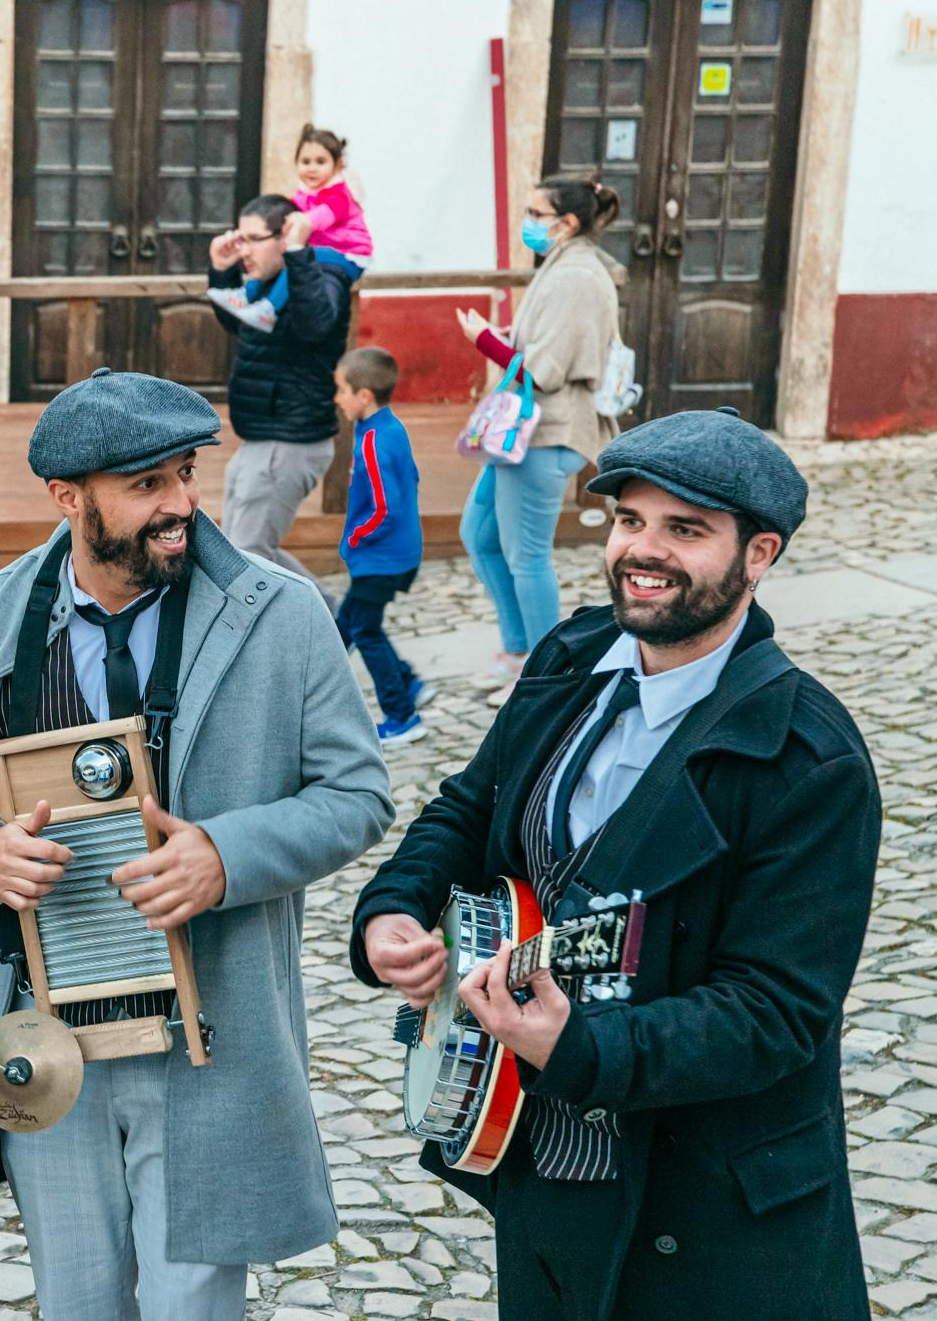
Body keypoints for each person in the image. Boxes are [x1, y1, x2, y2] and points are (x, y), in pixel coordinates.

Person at [349, 409, 880, 1319]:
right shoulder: (573, 655)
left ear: (759, 554)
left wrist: (581, 1047)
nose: (644, 550)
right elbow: (470, 805)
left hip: (704, 1208)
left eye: (686, 530)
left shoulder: (809, 758)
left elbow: (776, 1011)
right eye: (631, 519)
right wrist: (395, 906)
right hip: (541, 1159)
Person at [0, 368, 394, 1319]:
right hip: (46, 1038)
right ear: (67, 497)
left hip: (207, 1041)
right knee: (77, 1302)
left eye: (185, 474)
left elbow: (359, 793)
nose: (180, 505)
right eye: (146, 485)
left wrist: (226, 855)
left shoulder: (281, 612)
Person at [456, 173, 624, 707]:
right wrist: (508, 339)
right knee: (479, 534)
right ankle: (516, 649)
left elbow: (544, 372)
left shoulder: (576, 275)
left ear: (566, 222)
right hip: (521, 433)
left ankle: (543, 672)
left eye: (535, 214)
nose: (527, 222)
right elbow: (545, 347)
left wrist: (485, 340)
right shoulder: (563, 264)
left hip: (546, 433)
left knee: (526, 556)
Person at [206, 195, 353, 607]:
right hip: (261, 436)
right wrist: (221, 272)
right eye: (240, 238)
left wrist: (299, 254)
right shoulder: (268, 280)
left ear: (285, 236)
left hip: (291, 440)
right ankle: (334, 617)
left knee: (248, 554)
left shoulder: (321, 274)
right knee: (243, 550)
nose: (243, 250)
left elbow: (316, 325)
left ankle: (330, 623)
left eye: (254, 240)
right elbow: (237, 323)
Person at [331, 345, 431, 745]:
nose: (337, 398)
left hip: (380, 558)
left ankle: (402, 716)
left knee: (364, 630)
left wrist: (356, 536)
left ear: (364, 396)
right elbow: (413, 479)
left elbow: (384, 507)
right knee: (350, 624)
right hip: (393, 554)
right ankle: (408, 683)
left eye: (341, 390)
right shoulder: (390, 427)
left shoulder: (373, 439)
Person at [209, 124, 373, 332]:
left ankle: (269, 308)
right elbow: (235, 326)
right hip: (321, 251)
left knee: (296, 257)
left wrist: (300, 225)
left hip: (348, 255)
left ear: (337, 165)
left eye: (320, 162)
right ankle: (244, 295)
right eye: (305, 161)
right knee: (289, 259)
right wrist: (221, 272)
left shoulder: (339, 195)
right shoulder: (303, 195)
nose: (312, 168)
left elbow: (323, 216)